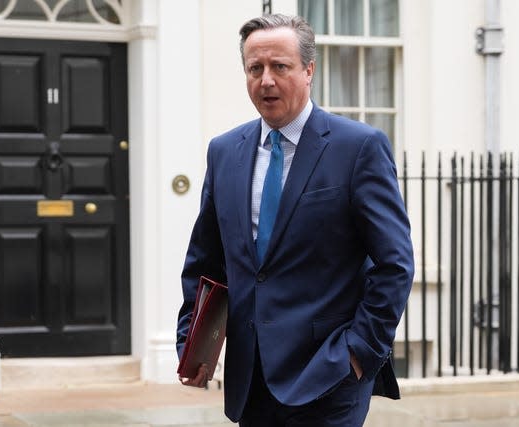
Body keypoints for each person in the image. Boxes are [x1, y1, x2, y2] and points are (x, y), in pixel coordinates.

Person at [176, 13, 414, 427]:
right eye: (255, 68)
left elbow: (395, 263)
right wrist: (192, 346)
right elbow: (207, 262)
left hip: (330, 374)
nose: (266, 80)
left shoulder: (358, 148)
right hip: (251, 378)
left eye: (280, 67)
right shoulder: (224, 151)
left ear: (308, 70)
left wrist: (358, 352)